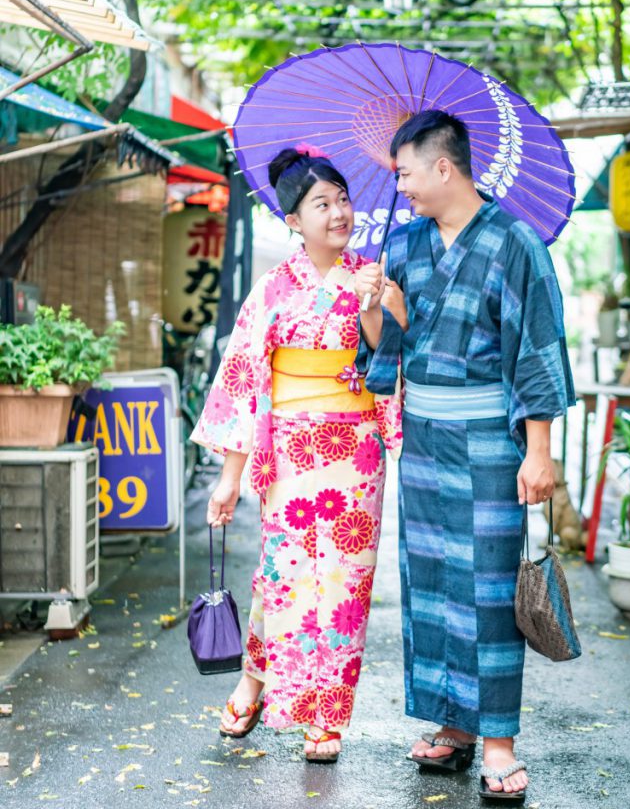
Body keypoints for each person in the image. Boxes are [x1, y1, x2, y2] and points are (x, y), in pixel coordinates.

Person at [353, 110, 574, 803]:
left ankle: (499, 738)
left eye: (406, 172)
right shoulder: (407, 245)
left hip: (487, 443)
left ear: (442, 166)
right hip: (423, 442)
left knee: (484, 595)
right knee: (430, 587)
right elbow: (386, 355)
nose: (403, 187)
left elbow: (537, 351)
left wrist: (538, 452)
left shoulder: (515, 244)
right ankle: (452, 724)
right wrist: (376, 312)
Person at [192, 146, 402, 763]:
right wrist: (230, 478)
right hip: (288, 449)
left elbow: (389, 361)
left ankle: (326, 714)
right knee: (284, 576)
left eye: (342, 200)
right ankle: (255, 680)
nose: (339, 212)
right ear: (292, 220)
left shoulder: (375, 275)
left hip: (355, 448)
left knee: (345, 583)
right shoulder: (274, 288)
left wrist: (375, 302)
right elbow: (243, 379)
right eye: (322, 204)